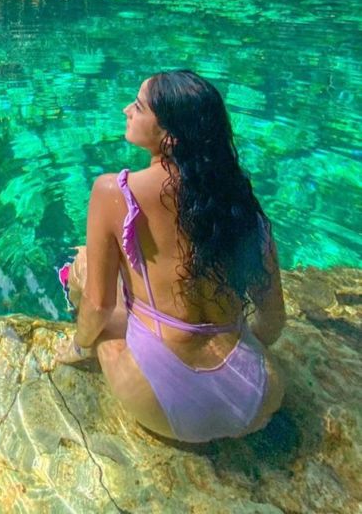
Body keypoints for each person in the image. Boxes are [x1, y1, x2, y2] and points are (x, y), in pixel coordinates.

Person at [55, 69, 286, 443]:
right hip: (256, 397)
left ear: (170, 137)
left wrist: (79, 345)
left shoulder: (114, 190)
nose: (126, 109)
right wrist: (235, 348)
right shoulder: (241, 205)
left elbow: (99, 306)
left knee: (85, 268)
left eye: (139, 106)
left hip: (167, 405)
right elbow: (273, 321)